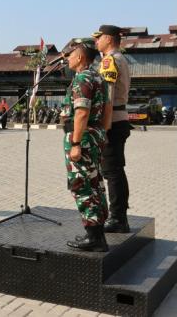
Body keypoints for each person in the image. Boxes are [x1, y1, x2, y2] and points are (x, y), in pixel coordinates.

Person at [61, 41, 110, 252]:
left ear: (80, 56)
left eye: (69, 54)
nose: (66, 58)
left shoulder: (82, 78)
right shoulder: (98, 77)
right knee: (95, 184)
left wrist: (76, 143)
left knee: (82, 185)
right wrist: (102, 133)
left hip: (83, 137)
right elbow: (107, 108)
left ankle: (94, 238)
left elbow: (81, 112)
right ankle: (97, 235)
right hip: (95, 135)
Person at [93, 25, 132, 234]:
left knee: (112, 172)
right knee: (115, 170)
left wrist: (103, 127)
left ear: (108, 39)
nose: (96, 42)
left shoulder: (110, 60)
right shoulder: (118, 58)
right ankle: (119, 215)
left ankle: (118, 218)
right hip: (118, 119)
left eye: (98, 38)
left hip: (112, 121)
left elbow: (107, 98)